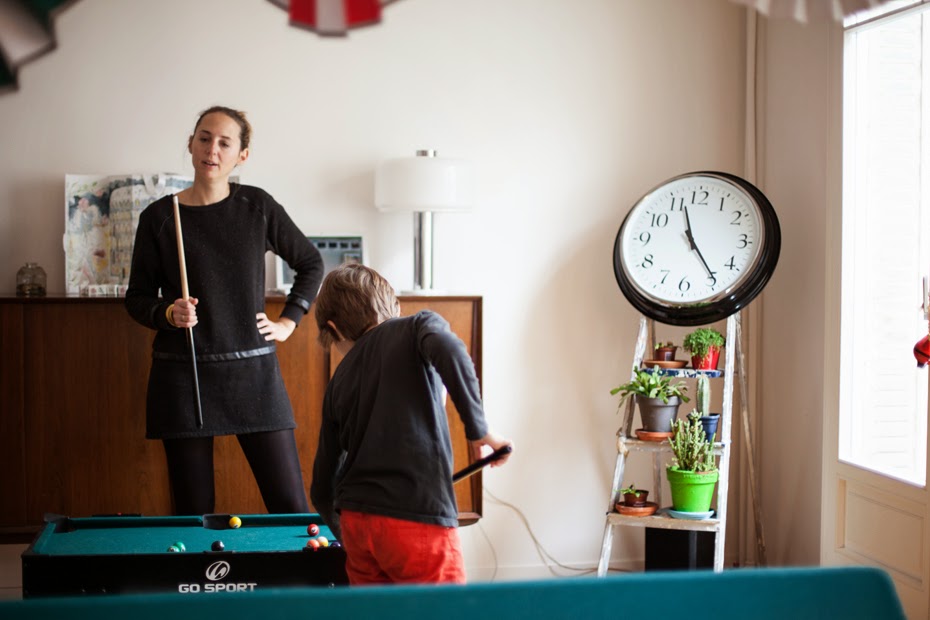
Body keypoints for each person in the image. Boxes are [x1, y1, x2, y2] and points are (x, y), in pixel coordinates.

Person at [125, 105, 323, 516]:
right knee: (193, 513)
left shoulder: (257, 206)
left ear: (241, 155)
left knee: (290, 507)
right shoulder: (159, 217)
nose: (211, 149)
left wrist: (289, 321)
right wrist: (168, 314)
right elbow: (137, 297)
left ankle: (298, 565)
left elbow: (310, 263)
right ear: (191, 144)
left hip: (253, 373)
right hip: (184, 376)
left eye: (224, 142)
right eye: (204, 138)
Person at [310, 264, 513, 585]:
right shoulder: (417, 326)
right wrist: (479, 431)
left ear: (334, 329)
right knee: (440, 610)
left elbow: (322, 488)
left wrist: (344, 534)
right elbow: (450, 348)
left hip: (357, 525)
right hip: (414, 519)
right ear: (392, 305)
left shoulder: (337, 382)